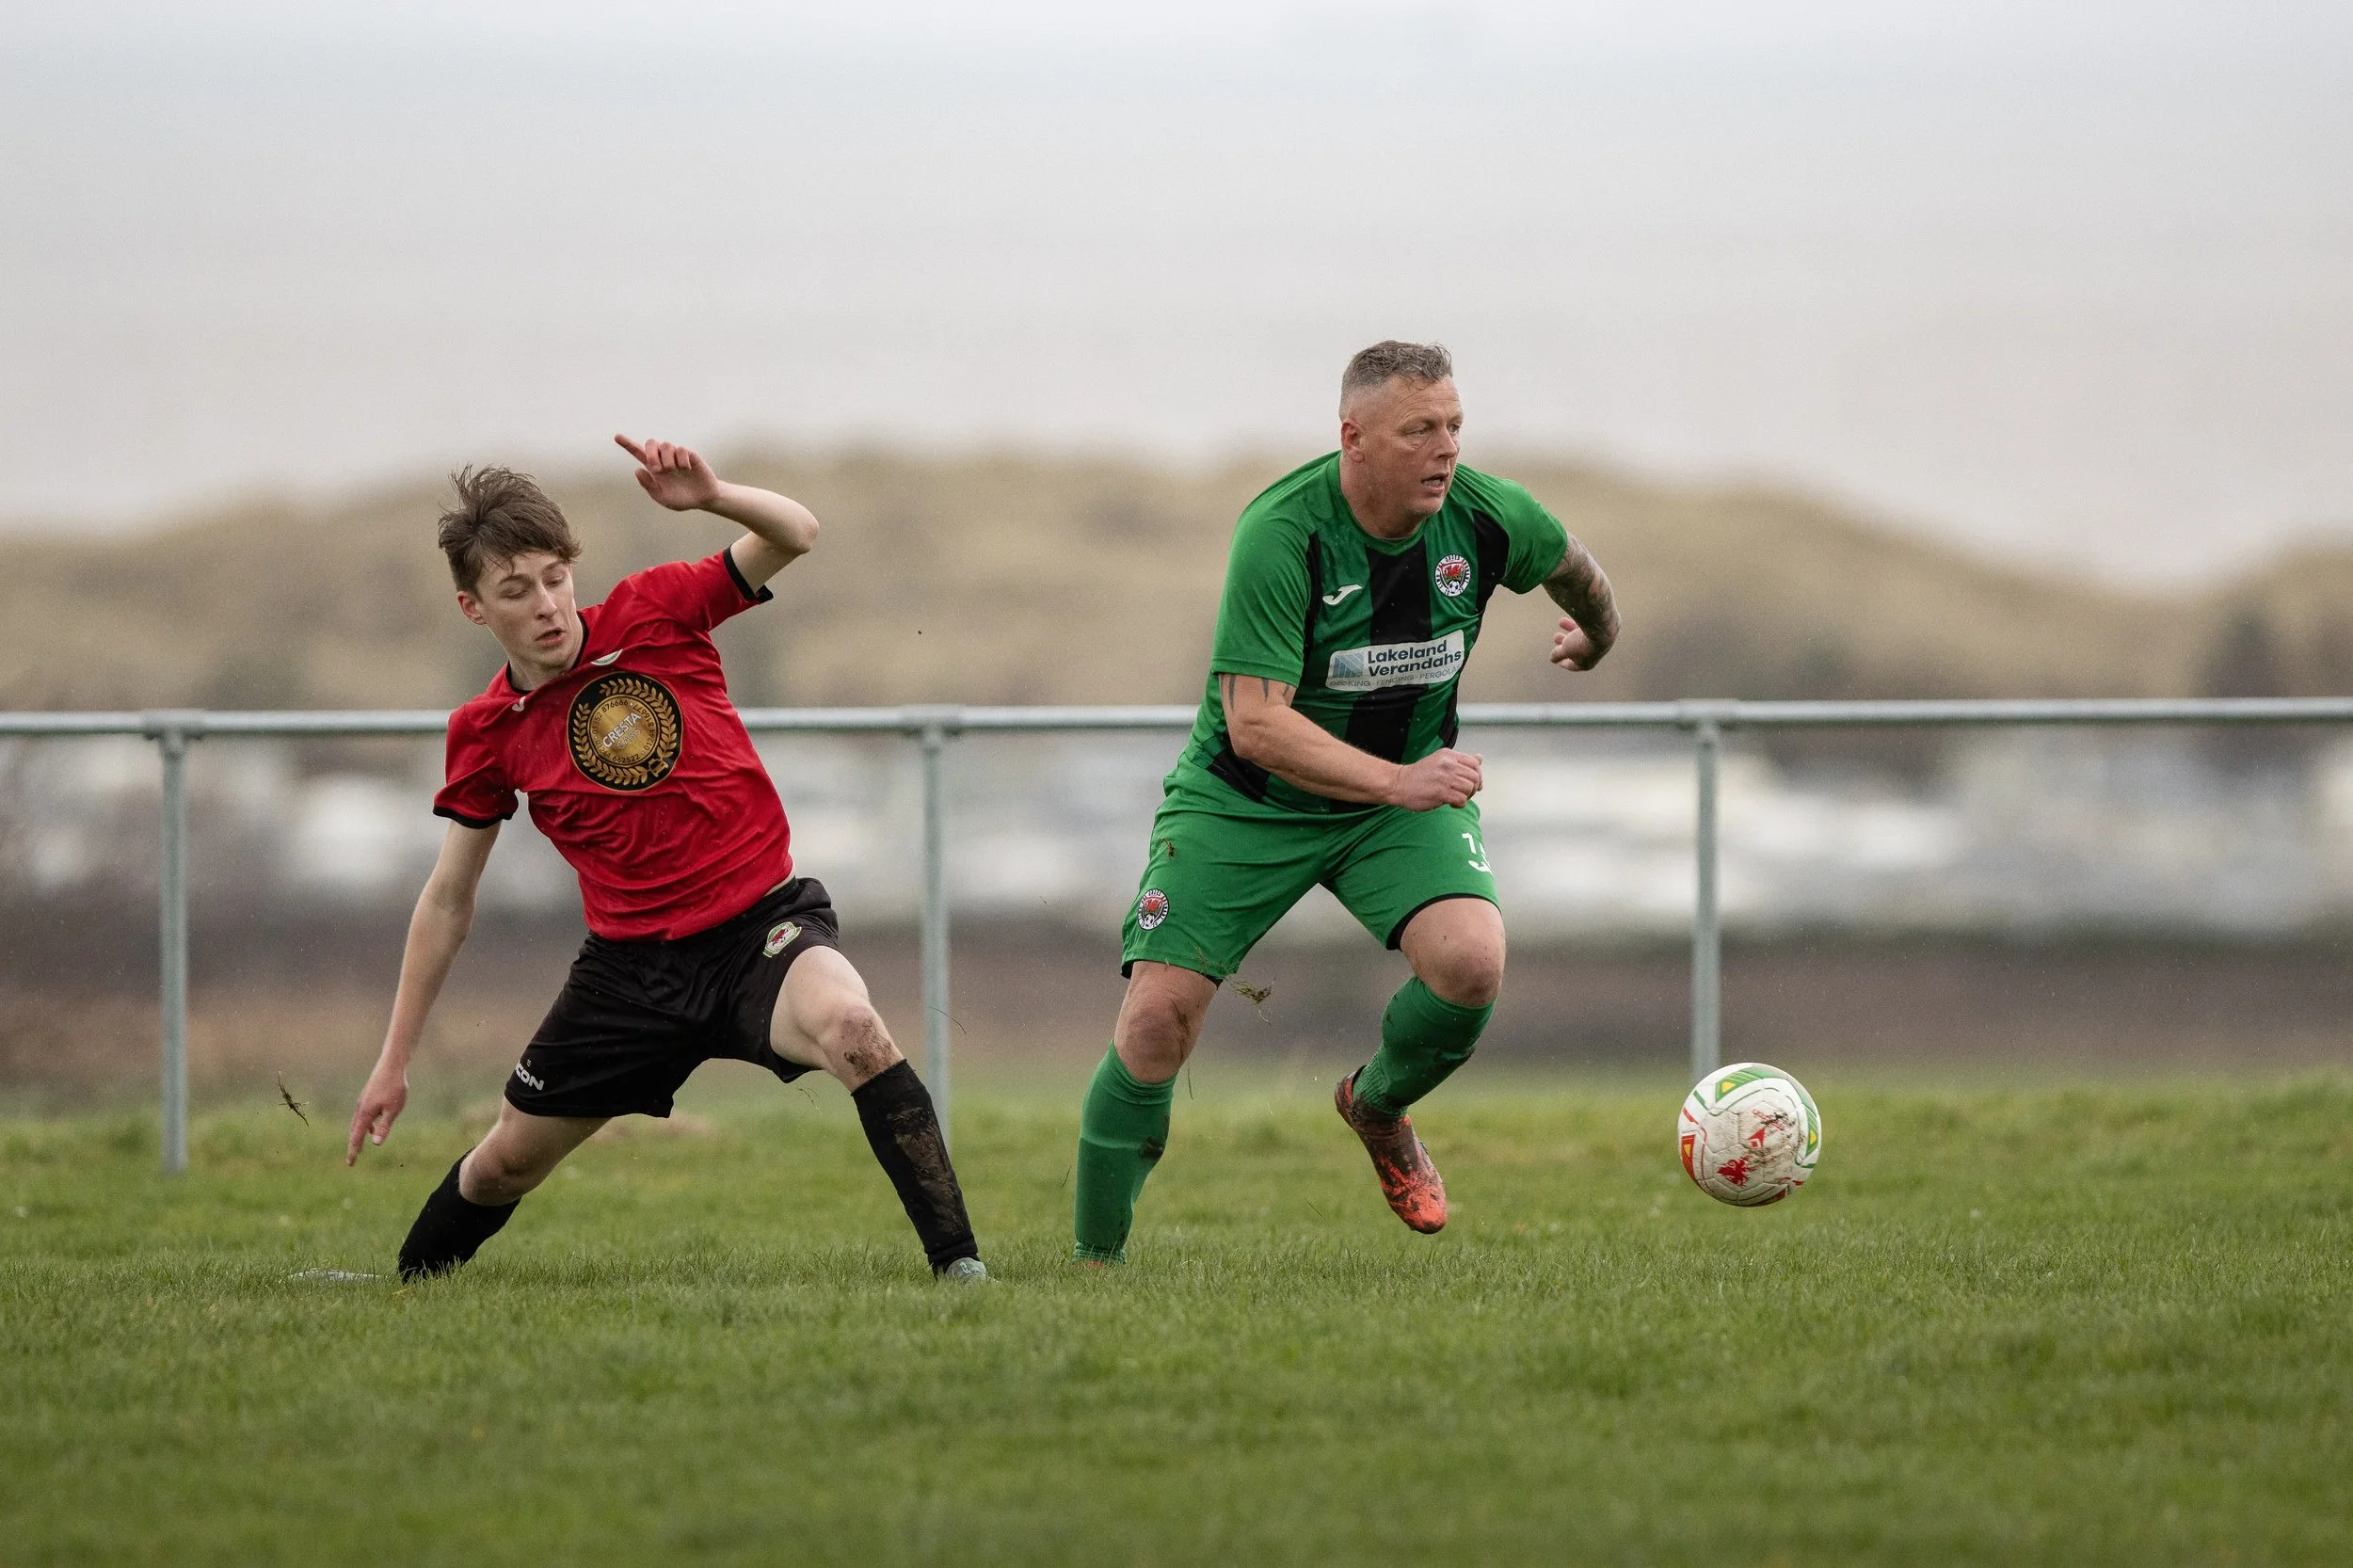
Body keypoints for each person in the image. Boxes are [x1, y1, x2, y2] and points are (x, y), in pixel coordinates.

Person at [346, 436, 985, 1283]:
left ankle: (960, 1272)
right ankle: (403, 1285)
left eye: (554, 577)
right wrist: (393, 1064)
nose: (545, 605)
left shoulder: (658, 611)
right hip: (630, 975)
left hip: (762, 930)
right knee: (506, 1162)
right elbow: (448, 902)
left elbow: (796, 533)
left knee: (856, 1029)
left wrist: (715, 496)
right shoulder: (486, 733)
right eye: (514, 591)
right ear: (474, 608)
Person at [1071, 342, 1621, 1263]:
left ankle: (1377, 1106)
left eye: (1453, 425)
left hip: (1400, 798)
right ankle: (1092, 1268)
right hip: (1248, 798)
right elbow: (1255, 726)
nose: (1444, 448)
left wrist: (1599, 637)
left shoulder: (1487, 516)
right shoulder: (1284, 533)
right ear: (1353, 438)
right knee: (1157, 1017)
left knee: (1471, 964)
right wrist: (1401, 782)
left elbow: (1574, 569)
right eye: (1419, 430)